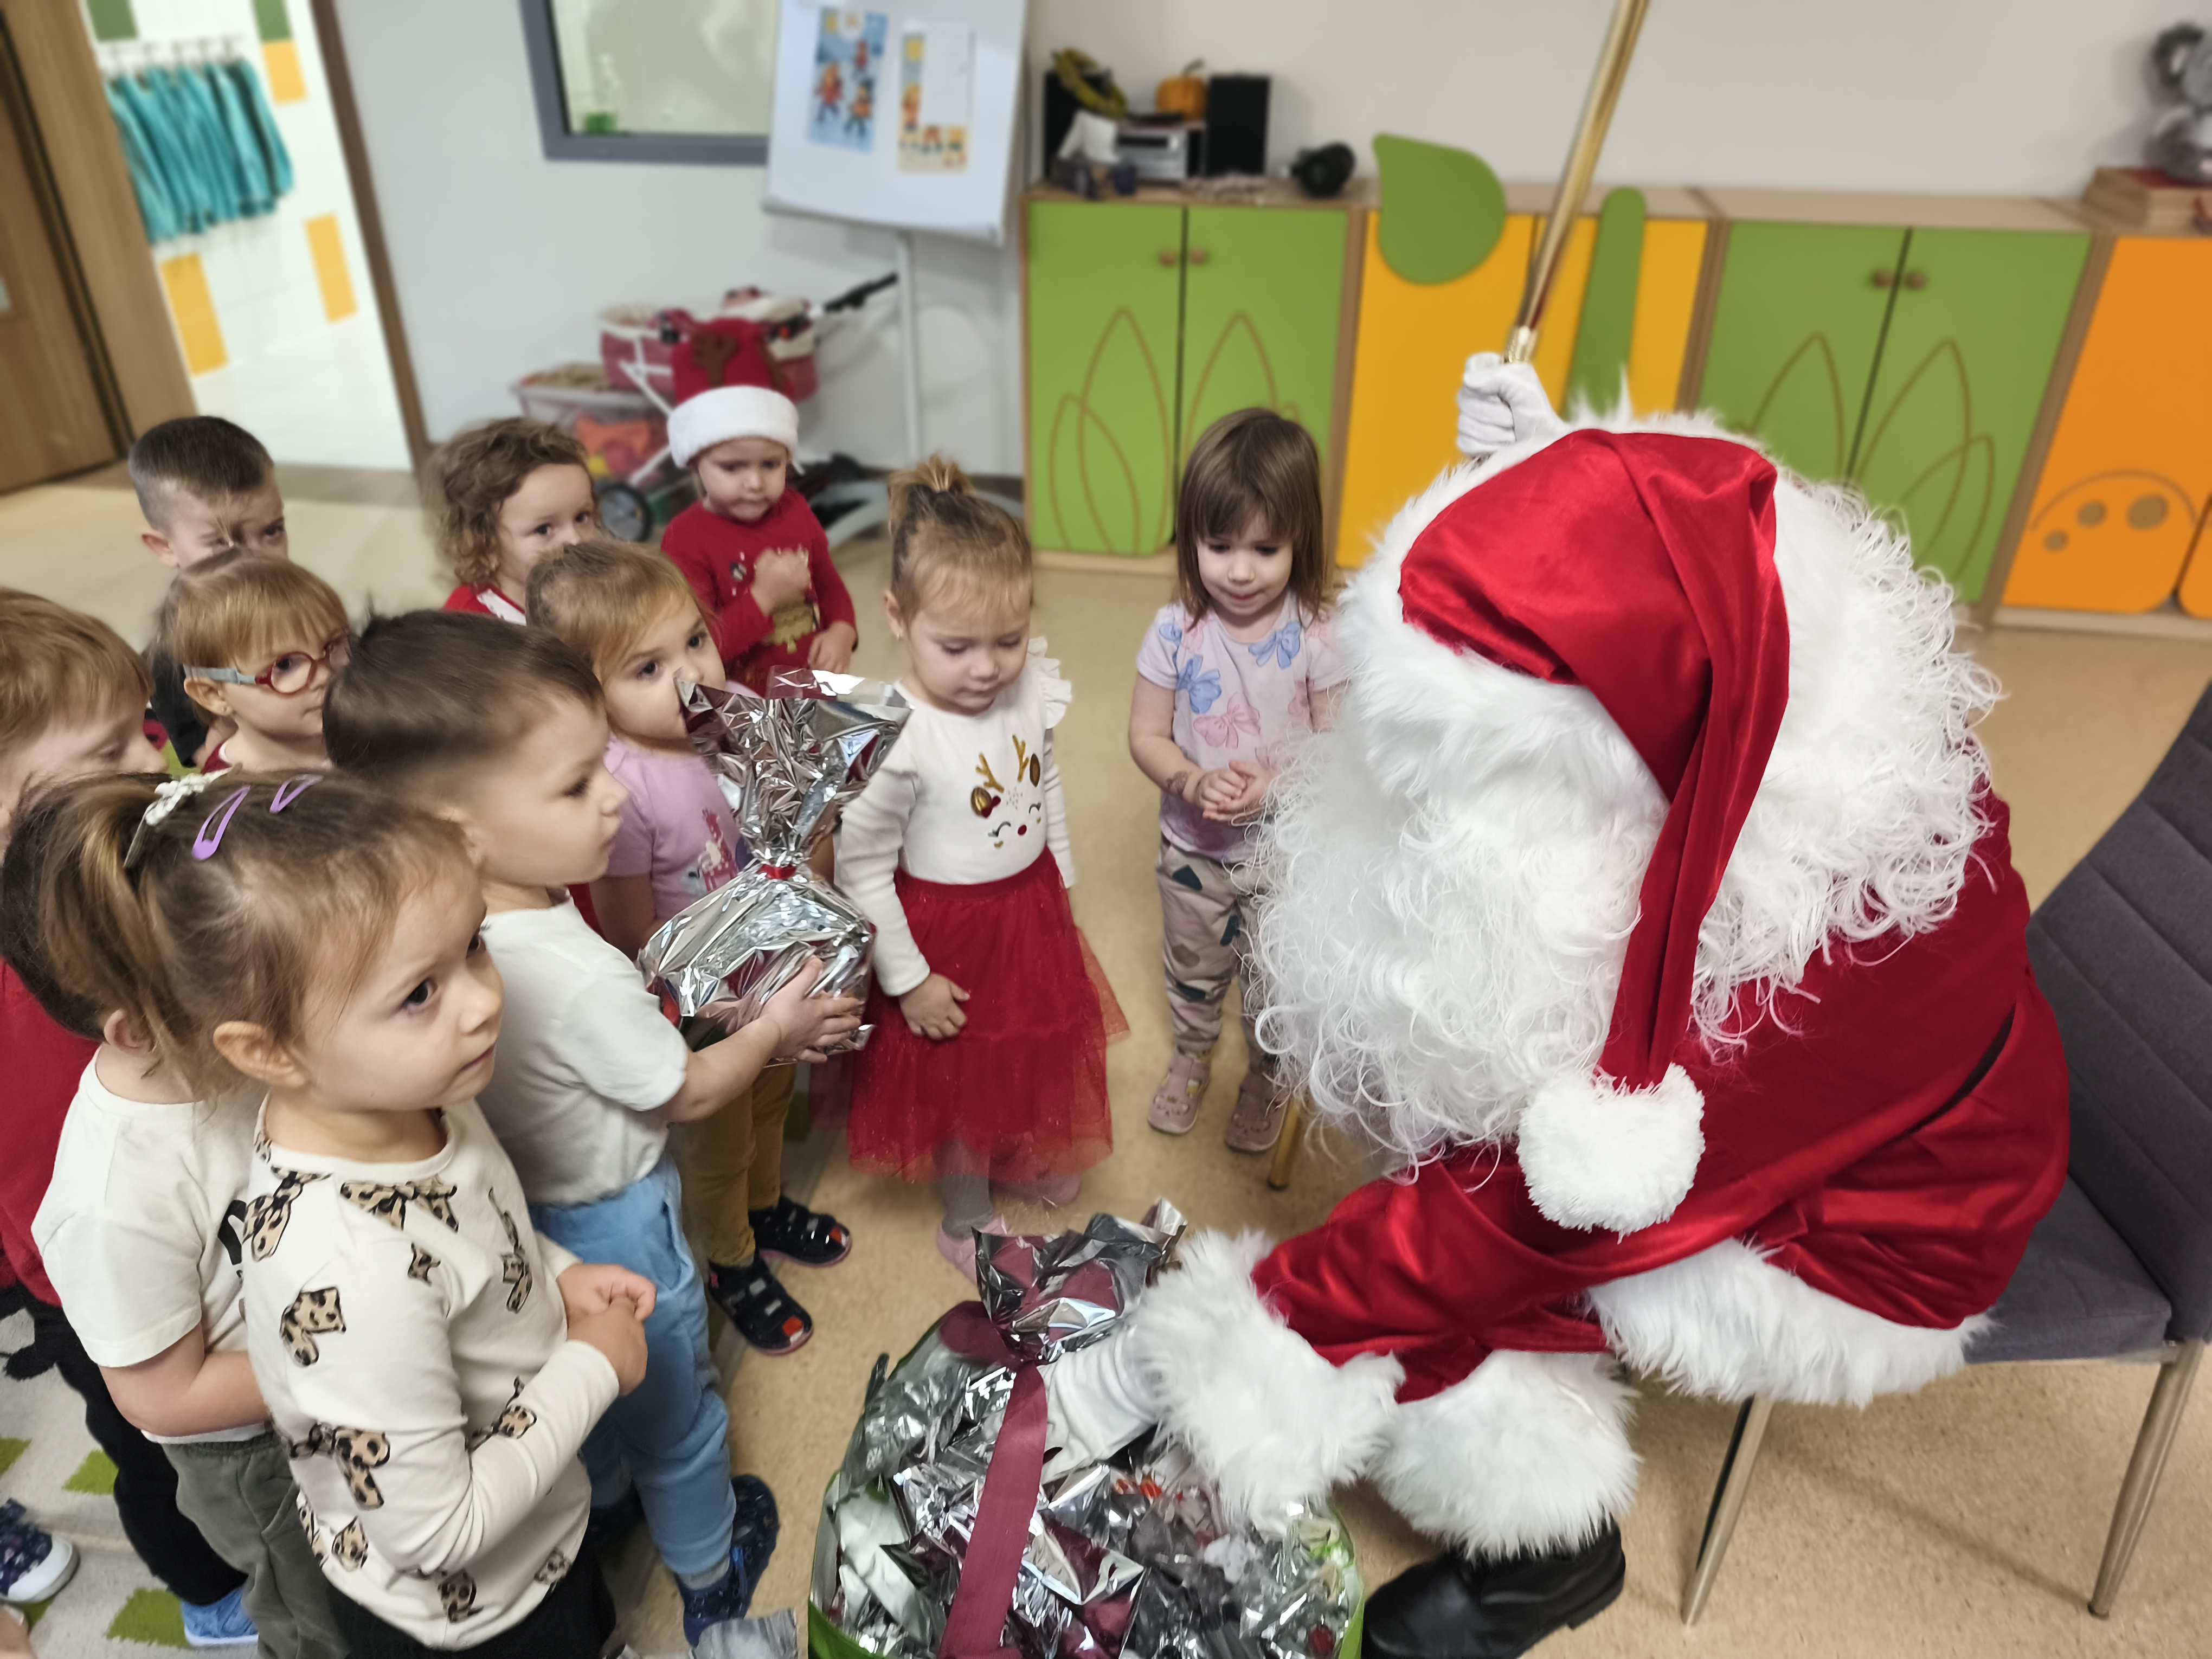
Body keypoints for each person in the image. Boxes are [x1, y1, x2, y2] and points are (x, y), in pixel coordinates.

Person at [1099, 366, 2070, 1659]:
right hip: (1891, 1115)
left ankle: (1542, 1561)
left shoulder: (1785, 992)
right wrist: (1548, 469)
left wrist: (1259, 1328)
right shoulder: (1819, 747)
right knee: (1473, 1072)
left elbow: (1515, 1216)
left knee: (1459, 1282)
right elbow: (1664, 557)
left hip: (1876, 1241)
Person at [27, 768, 655, 1657]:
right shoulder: (349, 1270)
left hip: (535, 1521)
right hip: (469, 1615)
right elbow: (436, 1532)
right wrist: (593, 1364)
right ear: (268, 1053)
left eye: (473, 943)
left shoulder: (403, 1088)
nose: (484, 1001)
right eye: (419, 992)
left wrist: (558, 1274)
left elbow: (470, 1216)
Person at [321, 612, 857, 1642]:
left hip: (522, 1212)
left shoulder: (438, 946)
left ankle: (606, 1506)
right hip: (617, 1214)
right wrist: (775, 1027)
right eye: (575, 785)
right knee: (676, 1405)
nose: (615, 793)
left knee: (569, 1381)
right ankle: (710, 1567)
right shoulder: (570, 969)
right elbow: (687, 1091)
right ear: (461, 829)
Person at [10, 807, 343, 1657]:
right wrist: (345, 1358)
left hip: (337, 1369)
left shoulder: (228, 1051)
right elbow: (160, 1396)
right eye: (255, 965)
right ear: (136, 1026)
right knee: (323, 1618)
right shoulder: (113, 1197)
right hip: (261, 1457)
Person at [0, 590, 255, 1646]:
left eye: (142, 727)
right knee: (157, 1455)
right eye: (107, 749)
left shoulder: (139, 847)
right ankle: (207, 1595)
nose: (155, 757)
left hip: (211, 1198)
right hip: (91, 1280)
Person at [529, 539, 857, 1356]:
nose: (690, 677)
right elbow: (631, 929)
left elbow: (798, 834)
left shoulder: (737, 710)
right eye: (647, 668)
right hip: (708, 1004)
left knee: (773, 1102)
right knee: (720, 1141)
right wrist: (722, 1001)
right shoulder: (623, 788)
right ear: (587, 695)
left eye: (696, 641)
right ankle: (730, 1258)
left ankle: (764, 1207)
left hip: (777, 968)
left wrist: (819, 822)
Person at [837, 459, 1115, 1277]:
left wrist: (1062, 884)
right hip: (945, 935)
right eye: (955, 647)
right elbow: (861, 868)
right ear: (897, 616)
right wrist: (908, 980)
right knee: (962, 1071)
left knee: (1030, 1041)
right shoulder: (898, 737)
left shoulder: (1026, 689)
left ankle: (1020, 1151)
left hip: (1027, 906)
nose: (988, 667)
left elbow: (1044, 779)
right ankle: (965, 1221)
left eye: (1008, 639)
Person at [1126, 410, 1345, 1151]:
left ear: (1300, 539)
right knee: (1192, 970)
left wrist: (1276, 786)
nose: (1240, 571)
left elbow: (1338, 751)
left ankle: (1267, 1071)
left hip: (1284, 857)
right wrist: (1190, 781)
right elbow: (1146, 735)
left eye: (1265, 548)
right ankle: (1192, 1055)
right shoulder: (1174, 630)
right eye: (1219, 546)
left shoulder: (1318, 633)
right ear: (1191, 538)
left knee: (1272, 980)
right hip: (1192, 850)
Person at [661, 386, 859, 690]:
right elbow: (697, 647)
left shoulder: (795, 509)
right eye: (732, 467)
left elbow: (829, 583)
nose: (755, 483)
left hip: (810, 686)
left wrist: (843, 631)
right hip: (739, 698)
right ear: (694, 463)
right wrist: (764, 597)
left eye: (770, 464)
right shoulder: (685, 538)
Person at [127, 415, 290, 768]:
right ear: (165, 547)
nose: (257, 561)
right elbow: (212, 763)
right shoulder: (170, 658)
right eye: (222, 544)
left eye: (272, 531)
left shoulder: (303, 608)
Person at [163, 551, 348, 775]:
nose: (326, 676)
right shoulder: (227, 789)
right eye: (285, 665)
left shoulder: (369, 726)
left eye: (332, 645)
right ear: (214, 695)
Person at [427, 420, 599, 622]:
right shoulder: (466, 626)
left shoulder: (592, 586)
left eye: (581, 517)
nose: (576, 540)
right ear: (486, 547)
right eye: (543, 529)